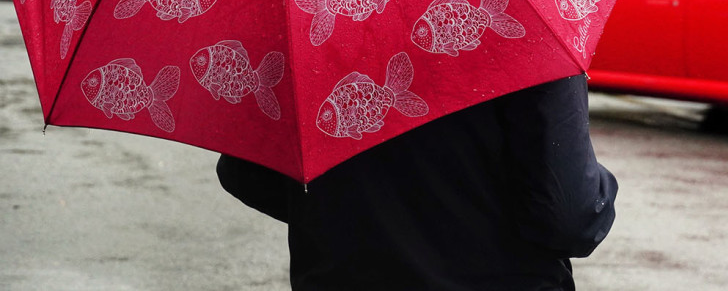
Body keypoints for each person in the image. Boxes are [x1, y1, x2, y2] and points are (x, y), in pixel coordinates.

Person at [216, 74, 617, 291]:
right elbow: (570, 216)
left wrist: (342, 215)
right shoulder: (526, 27)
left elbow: (246, 173)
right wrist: (603, 186)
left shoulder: (304, 28)